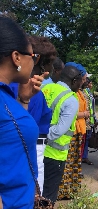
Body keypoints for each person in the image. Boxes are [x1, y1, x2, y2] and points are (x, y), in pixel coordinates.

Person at [0, 16, 47, 209]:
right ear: (16, 57)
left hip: (21, 206)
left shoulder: (8, 94)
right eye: (33, 56)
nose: (34, 62)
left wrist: (24, 99)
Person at [42, 65, 81, 203]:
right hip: (54, 154)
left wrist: (36, 140)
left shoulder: (45, 88)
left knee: (36, 190)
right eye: (81, 81)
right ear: (75, 80)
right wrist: (42, 139)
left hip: (37, 150)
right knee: (48, 195)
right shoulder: (71, 99)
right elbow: (59, 130)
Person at [27, 36, 57, 194]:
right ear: (40, 62)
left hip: (34, 146)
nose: (52, 69)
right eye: (51, 63)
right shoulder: (31, 90)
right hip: (33, 148)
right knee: (35, 193)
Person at [57, 62, 88, 200]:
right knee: (67, 163)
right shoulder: (69, 93)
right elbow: (71, 113)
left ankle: (71, 189)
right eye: (83, 78)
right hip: (71, 131)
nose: (85, 81)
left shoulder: (80, 92)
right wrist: (84, 114)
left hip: (79, 130)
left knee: (75, 161)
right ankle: (63, 191)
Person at [82, 77, 98, 165]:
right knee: (83, 140)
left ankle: (84, 156)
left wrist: (95, 119)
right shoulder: (82, 92)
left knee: (87, 140)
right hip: (85, 120)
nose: (91, 85)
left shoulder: (88, 92)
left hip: (90, 120)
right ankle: (82, 157)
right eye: (89, 83)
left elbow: (92, 107)